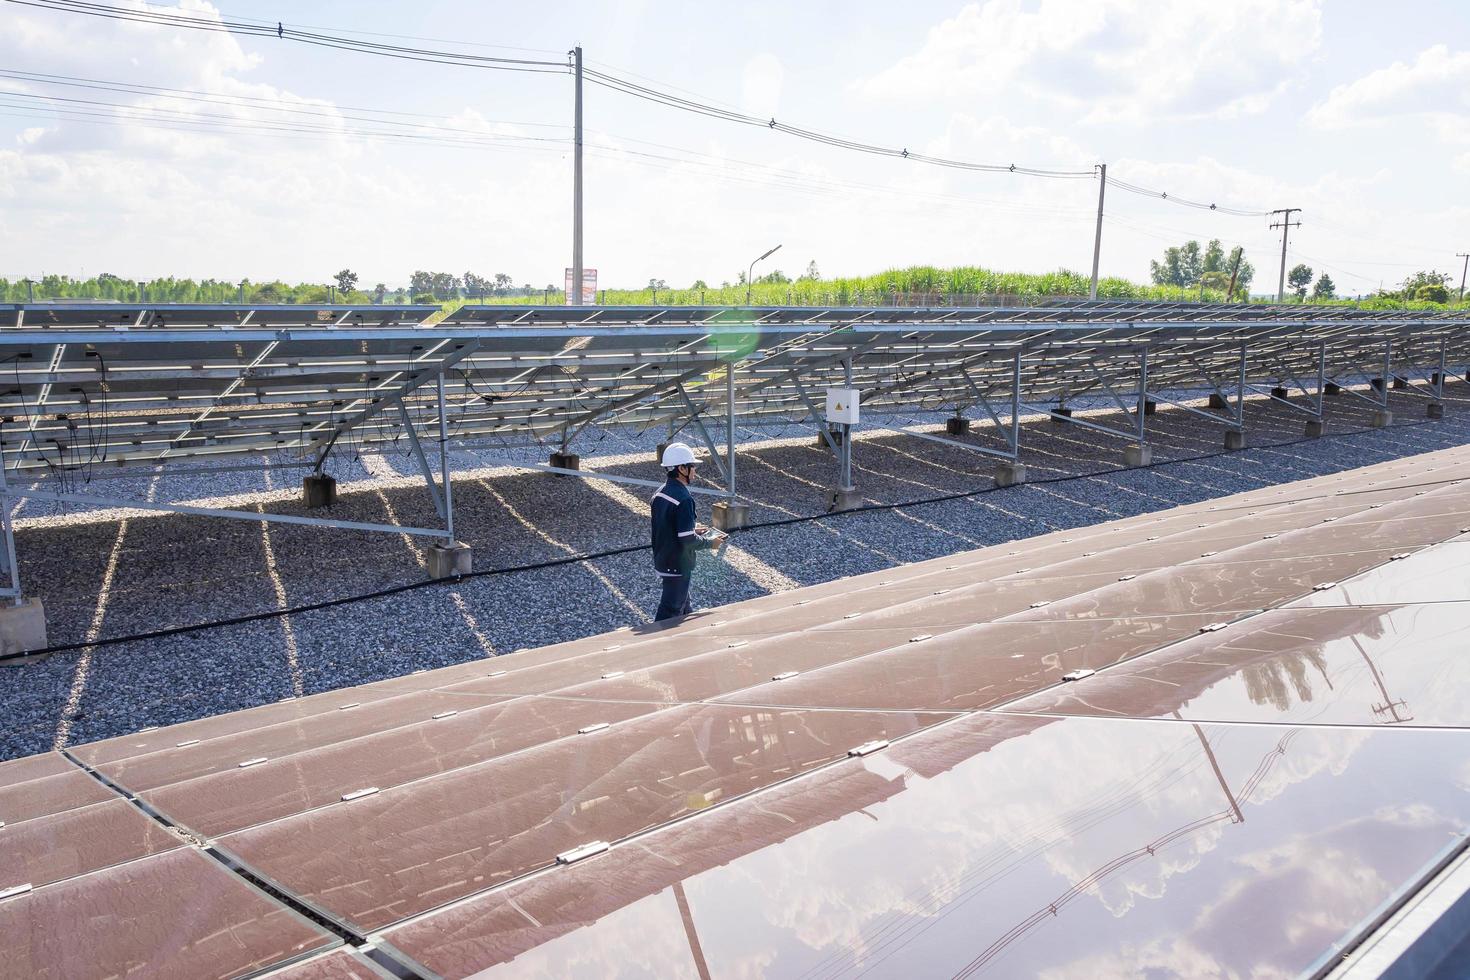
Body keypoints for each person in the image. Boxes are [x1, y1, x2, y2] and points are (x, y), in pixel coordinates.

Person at [650, 442, 722, 621]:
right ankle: (659, 646)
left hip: (663, 558)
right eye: (692, 467)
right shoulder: (684, 499)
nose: (695, 472)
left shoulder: (660, 493)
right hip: (677, 563)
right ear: (681, 468)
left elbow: (667, 525)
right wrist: (711, 543)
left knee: (683, 606)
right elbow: (687, 540)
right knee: (670, 612)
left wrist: (692, 528)